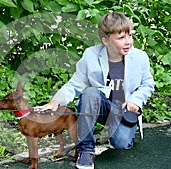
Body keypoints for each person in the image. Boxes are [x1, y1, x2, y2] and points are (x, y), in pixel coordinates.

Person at [41, 12, 155, 169]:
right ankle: (86, 149)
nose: (128, 42)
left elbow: (148, 84)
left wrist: (135, 100)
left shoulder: (140, 57)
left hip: (124, 109)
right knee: (90, 93)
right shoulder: (91, 55)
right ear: (105, 41)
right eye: (121, 38)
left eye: (129, 36)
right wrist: (56, 101)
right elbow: (76, 82)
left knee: (121, 143)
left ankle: (119, 133)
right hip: (102, 106)